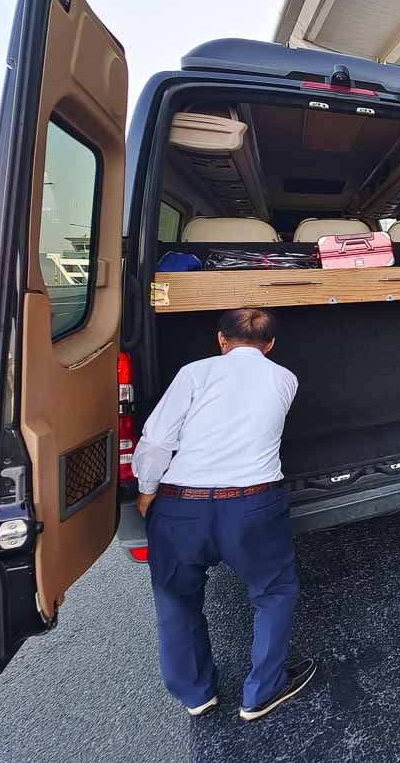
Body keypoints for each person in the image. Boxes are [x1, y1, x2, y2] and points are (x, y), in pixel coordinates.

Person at [133, 308, 315, 721]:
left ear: (220, 340)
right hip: (253, 504)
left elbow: (158, 439)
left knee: (176, 600)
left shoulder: (194, 373)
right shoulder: (286, 379)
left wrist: (147, 492)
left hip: (182, 504)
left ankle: (195, 692)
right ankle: (263, 690)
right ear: (270, 345)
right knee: (273, 594)